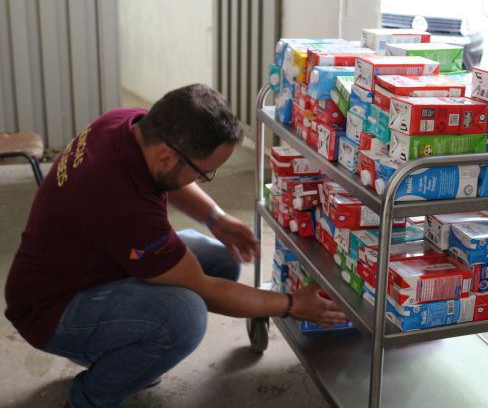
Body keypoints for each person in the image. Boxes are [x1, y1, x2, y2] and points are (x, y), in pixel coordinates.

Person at [4, 84, 347, 406]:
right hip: (51, 310)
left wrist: (215, 218)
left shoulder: (130, 126)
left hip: (92, 266)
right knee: (183, 317)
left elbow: (170, 179)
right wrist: (290, 304)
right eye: (203, 173)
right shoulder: (121, 203)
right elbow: (205, 288)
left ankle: (130, 357)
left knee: (220, 261)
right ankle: (89, 398)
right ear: (168, 157)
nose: (202, 180)